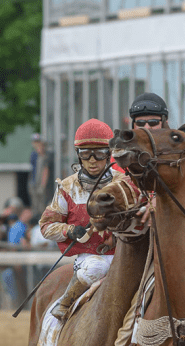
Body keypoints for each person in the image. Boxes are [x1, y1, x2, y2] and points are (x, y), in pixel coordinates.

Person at [94, 92, 168, 346]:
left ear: (164, 122)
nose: (148, 127)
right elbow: (116, 194)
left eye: (154, 122)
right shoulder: (119, 158)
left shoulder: (177, 151)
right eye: (141, 123)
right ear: (131, 124)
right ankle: (62, 337)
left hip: (170, 245)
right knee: (85, 278)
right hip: (130, 247)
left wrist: (157, 206)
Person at [39, 118, 119, 320]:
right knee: (97, 267)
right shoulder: (66, 187)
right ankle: (65, 303)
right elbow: (46, 226)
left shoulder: (125, 183)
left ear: (109, 154)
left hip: (125, 254)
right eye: (86, 153)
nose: (92, 160)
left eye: (99, 153)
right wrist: (69, 230)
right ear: (78, 155)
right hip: (90, 259)